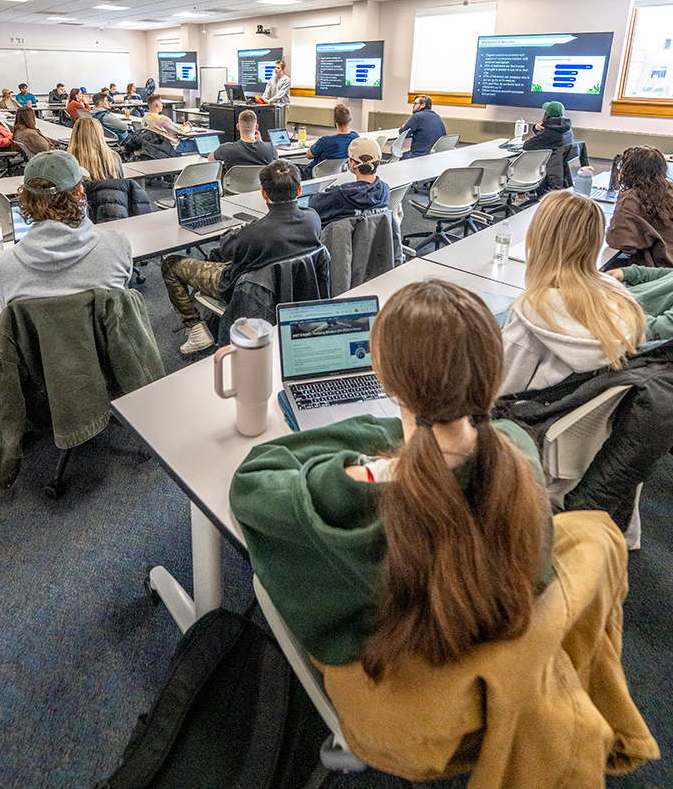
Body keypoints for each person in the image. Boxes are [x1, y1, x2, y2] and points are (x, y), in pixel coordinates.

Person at [230, 279, 553, 669]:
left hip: (396, 670)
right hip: (503, 658)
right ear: (492, 371)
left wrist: (374, 436)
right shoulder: (517, 450)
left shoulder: (356, 488)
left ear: (389, 384)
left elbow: (252, 482)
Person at [161, 159, 322, 354]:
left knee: (170, 264)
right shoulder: (313, 218)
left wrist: (246, 228)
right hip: (292, 288)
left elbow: (226, 246)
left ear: (263, 192)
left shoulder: (253, 234)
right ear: (299, 191)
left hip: (240, 285)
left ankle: (195, 328)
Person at [500, 191, 646, 394]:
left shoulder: (533, 313)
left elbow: (498, 394)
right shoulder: (622, 299)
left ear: (539, 239)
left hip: (532, 419)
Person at [0, 152, 132, 306]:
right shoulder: (118, 246)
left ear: (26, 198)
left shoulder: (3, 266)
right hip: (102, 330)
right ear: (80, 193)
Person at [606, 146, 673, 267]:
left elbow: (619, 241)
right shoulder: (669, 190)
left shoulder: (632, 197)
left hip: (657, 269)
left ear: (629, 172)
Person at [310, 137, 390, 226]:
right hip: (374, 239)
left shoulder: (340, 195)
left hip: (341, 239)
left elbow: (312, 205)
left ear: (353, 164)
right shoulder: (385, 190)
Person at [522, 101, 574, 193]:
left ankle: (522, 196)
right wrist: (536, 128)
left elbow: (527, 146)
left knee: (522, 165)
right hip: (560, 173)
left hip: (551, 176)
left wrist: (540, 129)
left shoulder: (549, 132)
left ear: (547, 114)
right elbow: (546, 138)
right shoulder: (566, 128)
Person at [304, 102, 358, 176]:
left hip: (313, 173)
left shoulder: (325, 141)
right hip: (337, 174)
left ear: (334, 121)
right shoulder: (355, 138)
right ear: (350, 119)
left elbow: (309, 155)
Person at [209, 109, 276, 166]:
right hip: (259, 181)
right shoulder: (270, 149)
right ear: (256, 127)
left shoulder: (226, 149)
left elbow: (210, 158)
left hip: (234, 181)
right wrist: (261, 142)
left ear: (238, 127)